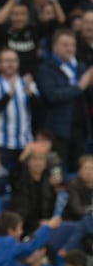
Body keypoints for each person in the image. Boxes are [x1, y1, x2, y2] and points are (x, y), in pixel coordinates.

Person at [36, 28, 93, 172]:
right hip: (57, 131)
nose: (70, 49)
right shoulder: (45, 69)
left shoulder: (80, 67)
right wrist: (80, 86)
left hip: (80, 129)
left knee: (79, 171)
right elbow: (52, 96)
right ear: (55, 47)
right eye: (65, 45)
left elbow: (88, 96)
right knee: (57, 173)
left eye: (72, 45)